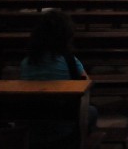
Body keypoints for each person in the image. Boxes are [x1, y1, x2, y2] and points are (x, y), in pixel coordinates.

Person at [20, 10, 98, 146]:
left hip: (34, 126)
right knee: (92, 111)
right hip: (65, 127)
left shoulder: (27, 62)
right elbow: (87, 86)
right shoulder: (70, 61)